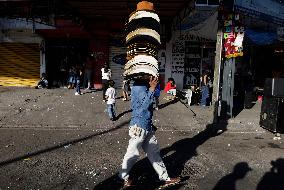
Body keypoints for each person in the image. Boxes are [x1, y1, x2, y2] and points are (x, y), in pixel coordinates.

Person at [119, 75, 180, 189]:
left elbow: (155, 96)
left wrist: (154, 87)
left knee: (154, 153)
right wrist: (152, 88)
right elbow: (144, 107)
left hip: (147, 126)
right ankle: (123, 177)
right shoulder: (138, 86)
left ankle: (165, 178)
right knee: (132, 153)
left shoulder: (144, 85)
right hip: (139, 126)